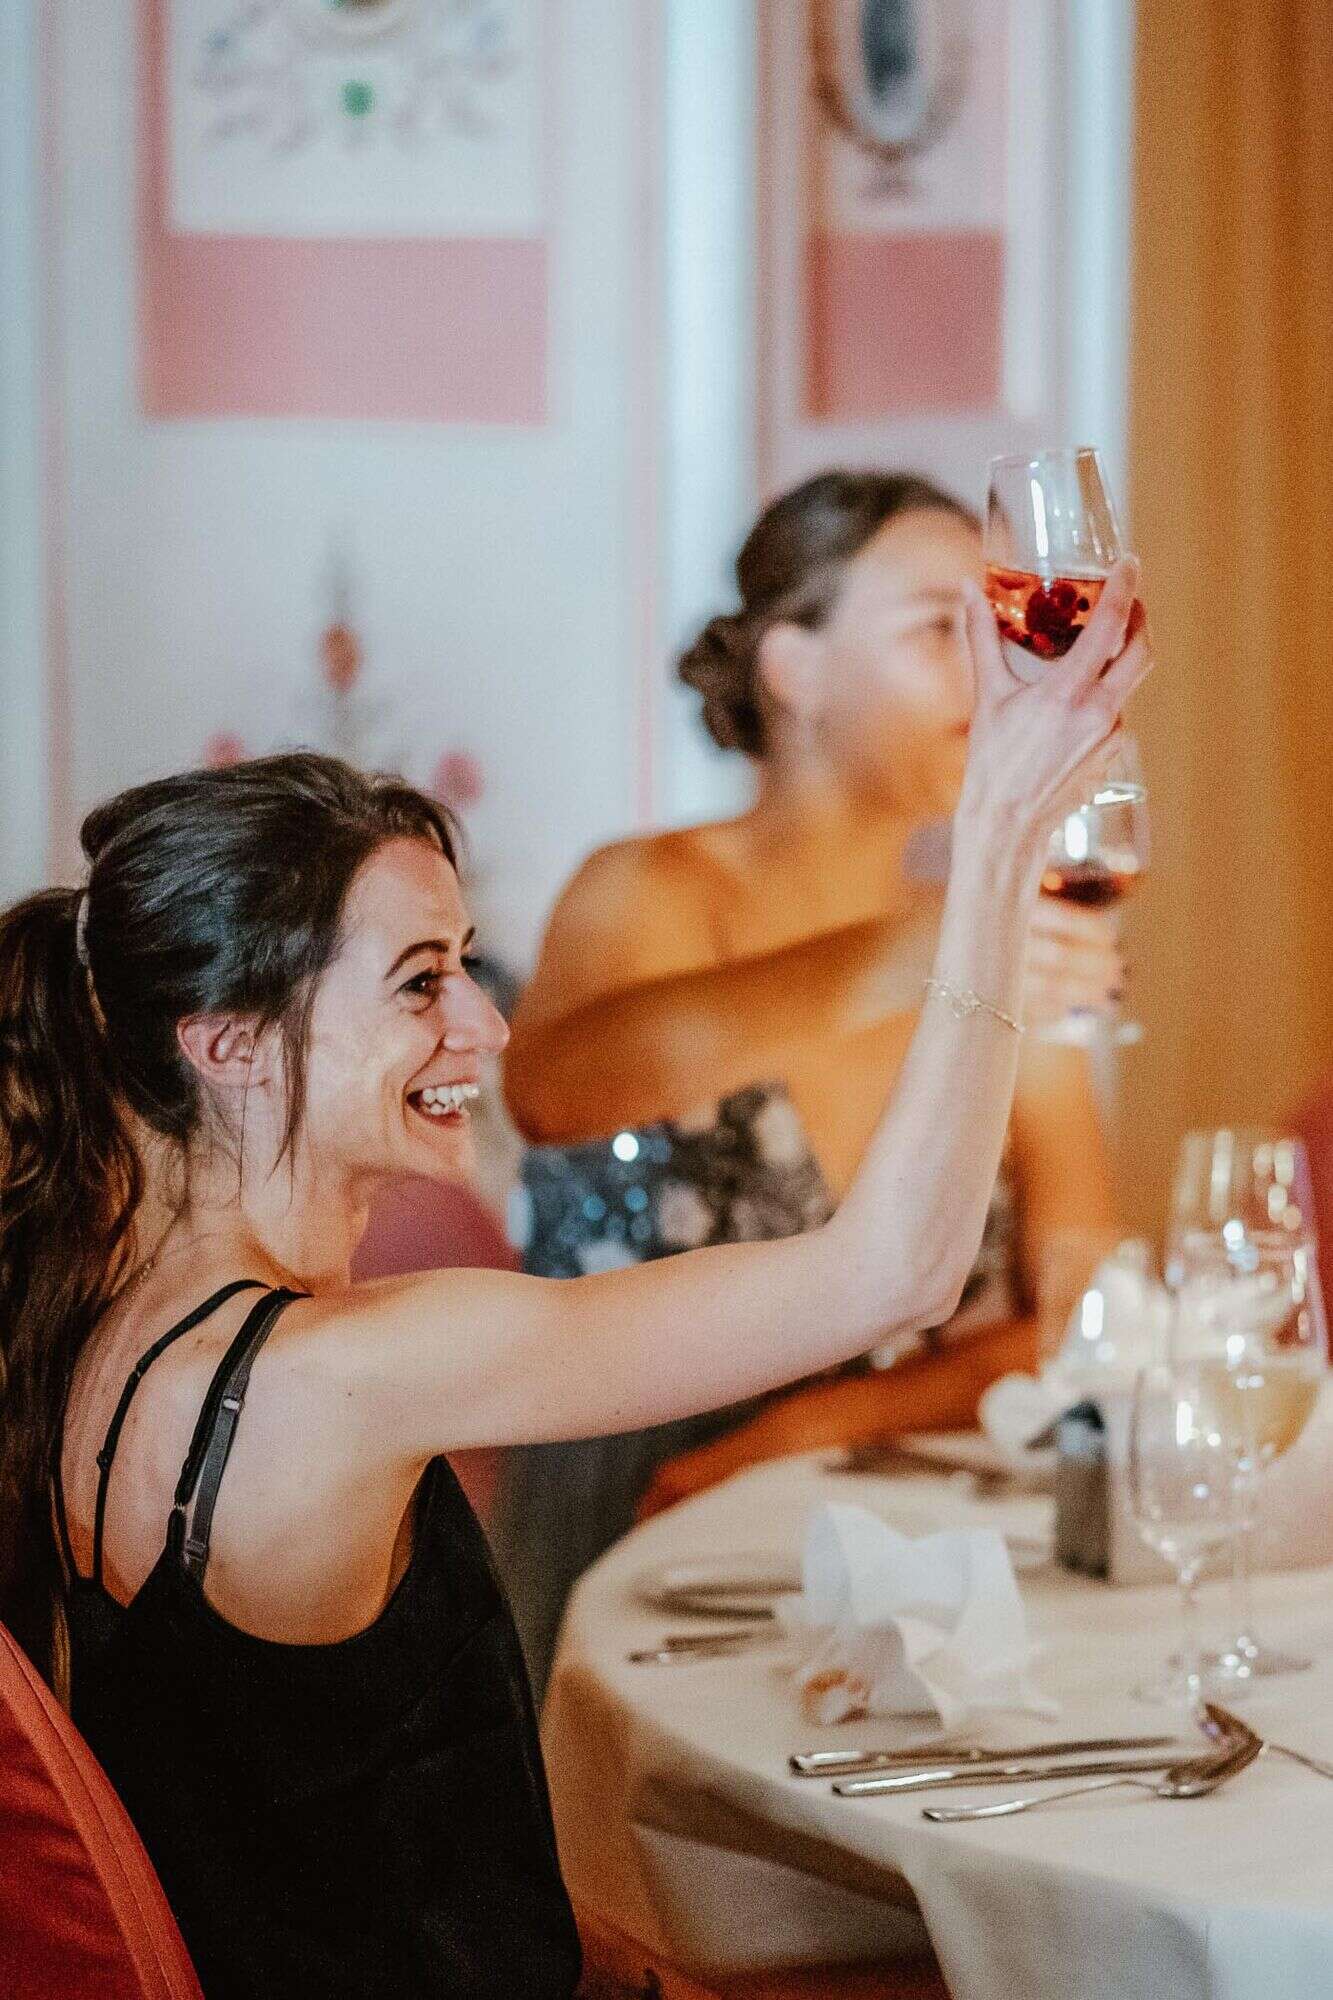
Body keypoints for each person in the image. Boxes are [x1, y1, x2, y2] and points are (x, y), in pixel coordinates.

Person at [0, 567, 1145, 1998]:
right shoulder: (341, 1376)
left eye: (466, 966)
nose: (485, 1028)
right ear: (227, 1043)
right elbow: (894, 1272)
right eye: (418, 983)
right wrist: (997, 852)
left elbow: (333, 1854)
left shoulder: (94, 1327)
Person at [495, 472, 1125, 1693]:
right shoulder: (646, 890)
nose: (994, 665)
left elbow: (1074, 1305)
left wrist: (811, 1425)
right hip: (640, 1524)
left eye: (998, 623)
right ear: (793, 667)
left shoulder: (998, 939)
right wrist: (915, 950)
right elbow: (554, 1096)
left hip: (915, 1547)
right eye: (939, 626)